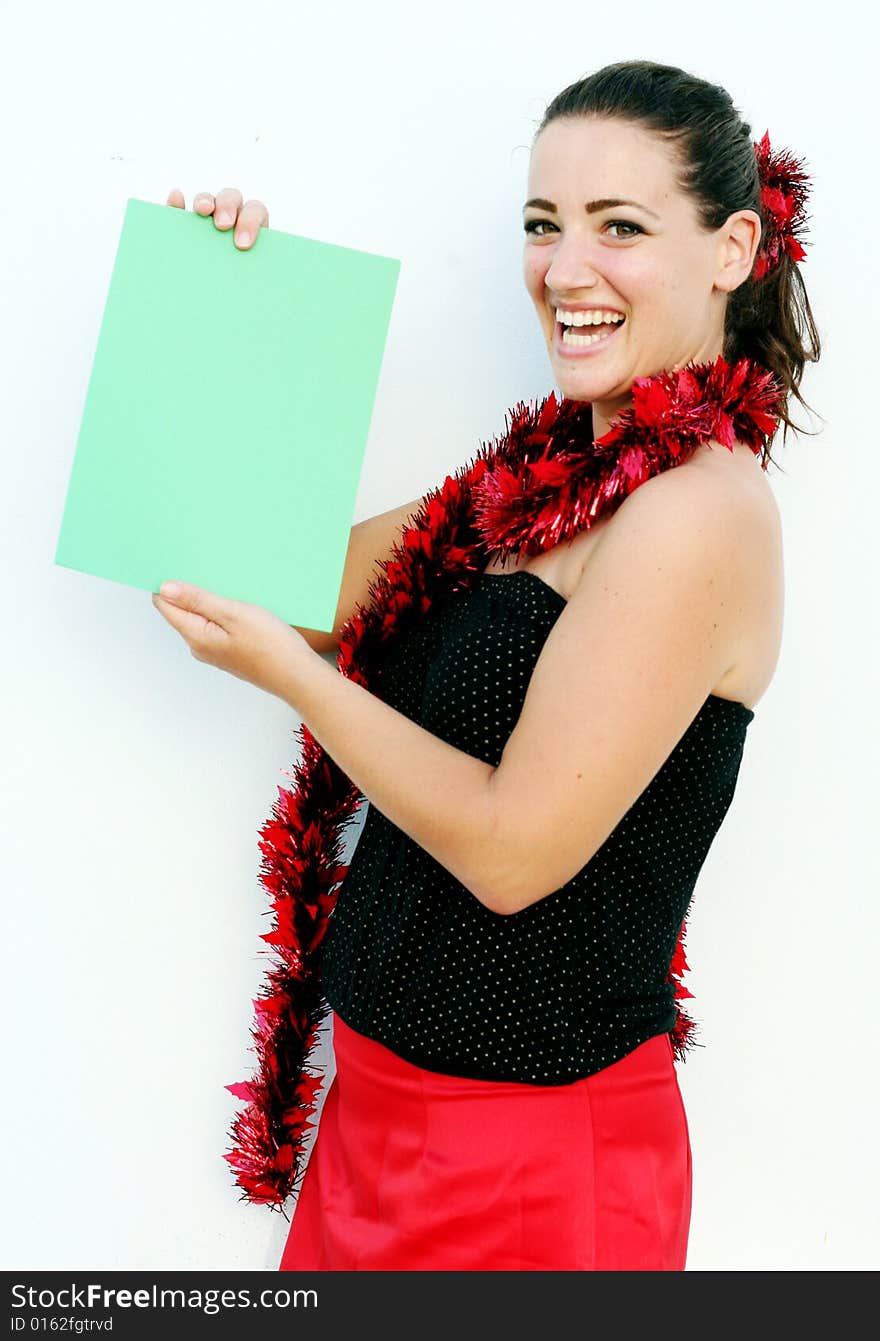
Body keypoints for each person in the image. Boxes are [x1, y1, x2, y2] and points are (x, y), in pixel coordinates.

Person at [158, 59, 820, 1270]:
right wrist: (224, 310)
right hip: (380, 1116)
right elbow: (276, 584)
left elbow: (515, 853)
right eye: (543, 224)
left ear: (731, 249)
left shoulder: (698, 515)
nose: (564, 271)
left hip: (529, 1170)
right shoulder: (543, 483)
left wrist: (299, 685)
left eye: (618, 227)